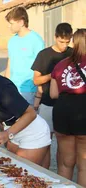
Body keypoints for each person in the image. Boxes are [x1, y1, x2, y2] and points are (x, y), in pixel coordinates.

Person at [31, 23, 73, 169]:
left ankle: (60, 174)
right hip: (48, 104)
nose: (64, 46)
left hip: (68, 105)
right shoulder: (44, 55)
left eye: (67, 42)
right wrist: (53, 74)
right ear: (55, 37)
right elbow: (36, 80)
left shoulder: (73, 54)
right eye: (61, 42)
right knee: (45, 141)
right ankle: (45, 173)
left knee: (64, 144)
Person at [50, 29, 86, 187]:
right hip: (83, 111)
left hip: (63, 112)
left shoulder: (60, 65)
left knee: (66, 162)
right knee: (84, 165)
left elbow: (53, 94)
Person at [4, 7, 44, 106]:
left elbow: (42, 68)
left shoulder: (36, 40)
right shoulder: (12, 41)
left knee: (29, 120)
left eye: (11, 23)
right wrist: (5, 85)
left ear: (21, 22)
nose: (9, 26)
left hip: (29, 91)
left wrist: (39, 94)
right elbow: (10, 63)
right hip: (12, 88)